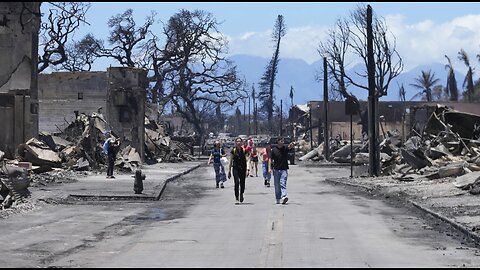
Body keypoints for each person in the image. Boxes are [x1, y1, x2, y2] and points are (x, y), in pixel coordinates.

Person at [268, 136, 295, 204]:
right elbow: (270, 159)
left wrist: (292, 144)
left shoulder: (285, 148)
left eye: (283, 141)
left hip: (284, 169)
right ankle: (278, 198)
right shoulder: (274, 150)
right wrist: (269, 168)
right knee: (277, 185)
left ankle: (284, 196)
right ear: (278, 141)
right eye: (281, 141)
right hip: (276, 169)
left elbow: (289, 147)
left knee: (283, 183)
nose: (283, 142)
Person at [228, 137, 247, 204]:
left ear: (241, 143)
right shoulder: (233, 151)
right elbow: (230, 161)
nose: (238, 143)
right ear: (235, 143)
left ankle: (241, 193)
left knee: (242, 183)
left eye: (240, 141)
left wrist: (247, 169)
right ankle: (236, 197)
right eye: (237, 141)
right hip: (235, 168)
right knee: (236, 183)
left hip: (243, 169)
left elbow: (247, 160)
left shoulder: (244, 150)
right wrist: (229, 171)